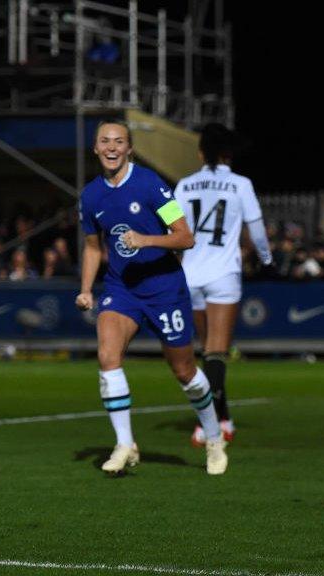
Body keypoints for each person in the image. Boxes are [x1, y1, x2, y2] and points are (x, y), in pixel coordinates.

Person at [76, 119, 228, 475]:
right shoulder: (90, 195)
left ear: (129, 149)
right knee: (107, 355)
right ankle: (125, 444)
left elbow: (185, 237)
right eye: (105, 141)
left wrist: (146, 240)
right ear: (95, 148)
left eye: (119, 142)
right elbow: (93, 248)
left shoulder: (149, 184)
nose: (112, 148)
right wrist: (85, 289)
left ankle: (213, 436)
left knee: (185, 371)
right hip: (121, 288)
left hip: (164, 289)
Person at [174, 123, 273, 447]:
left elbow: (174, 230)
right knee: (216, 352)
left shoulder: (185, 186)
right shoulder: (240, 183)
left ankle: (223, 418)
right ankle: (210, 426)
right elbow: (256, 230)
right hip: (222, 275)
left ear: (201, 152)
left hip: (190, 275)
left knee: (207, 353)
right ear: (228, 153)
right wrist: (267, 259)